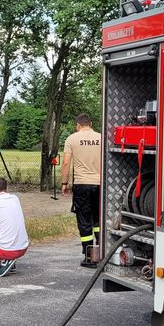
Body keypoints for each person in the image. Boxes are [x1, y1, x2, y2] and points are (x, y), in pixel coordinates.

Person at [61, 113, 103, 268]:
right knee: (99, 219)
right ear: (90, 123)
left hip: (82, 184)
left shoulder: (72, 139)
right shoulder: (101, 137)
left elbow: (66, 163)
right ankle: (102, 253)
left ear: (77, 125)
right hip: (100, 184)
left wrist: (64, 183)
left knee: (84, 221)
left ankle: (89, 257)